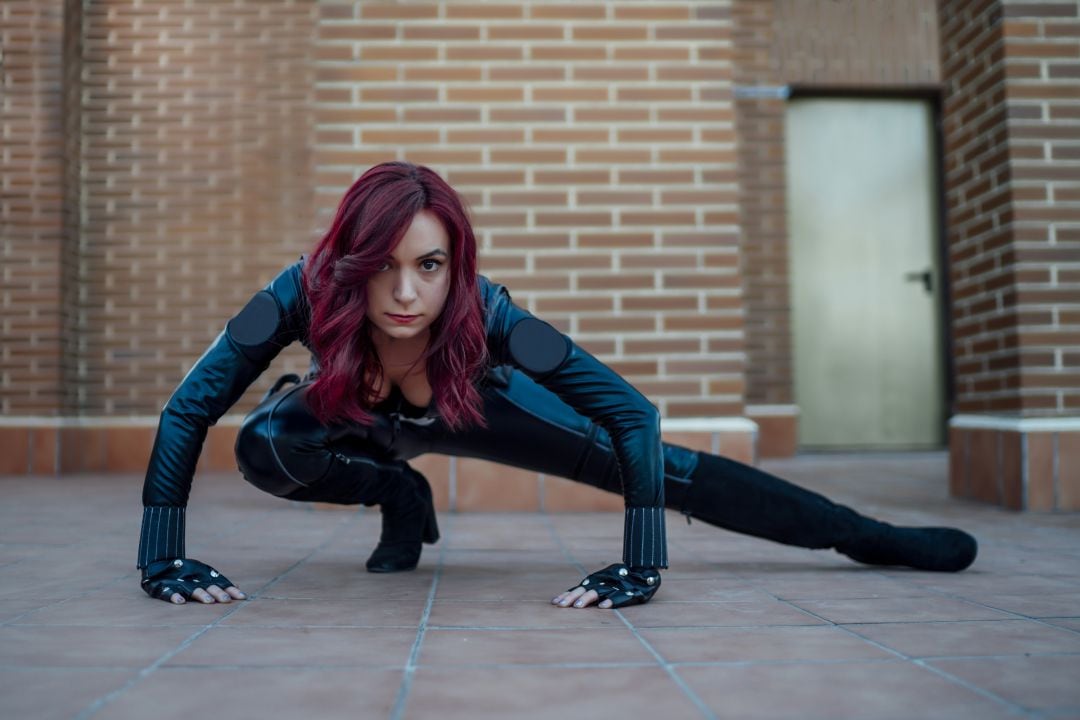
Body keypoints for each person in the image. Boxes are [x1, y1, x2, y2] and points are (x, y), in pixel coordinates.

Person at [137, 161, 978, 609]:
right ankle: (398, 494)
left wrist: (640, 568)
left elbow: (634, 415)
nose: (403, 294)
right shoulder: (299, 290)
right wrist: (161, 557)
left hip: (481, 408)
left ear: (455, 266)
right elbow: (188, 411)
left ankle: (867, 535)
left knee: (653, 464)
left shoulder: (497, 316)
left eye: (428, 266)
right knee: (265, 445)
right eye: (380, 267)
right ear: (347, 262)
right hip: (364, 419)